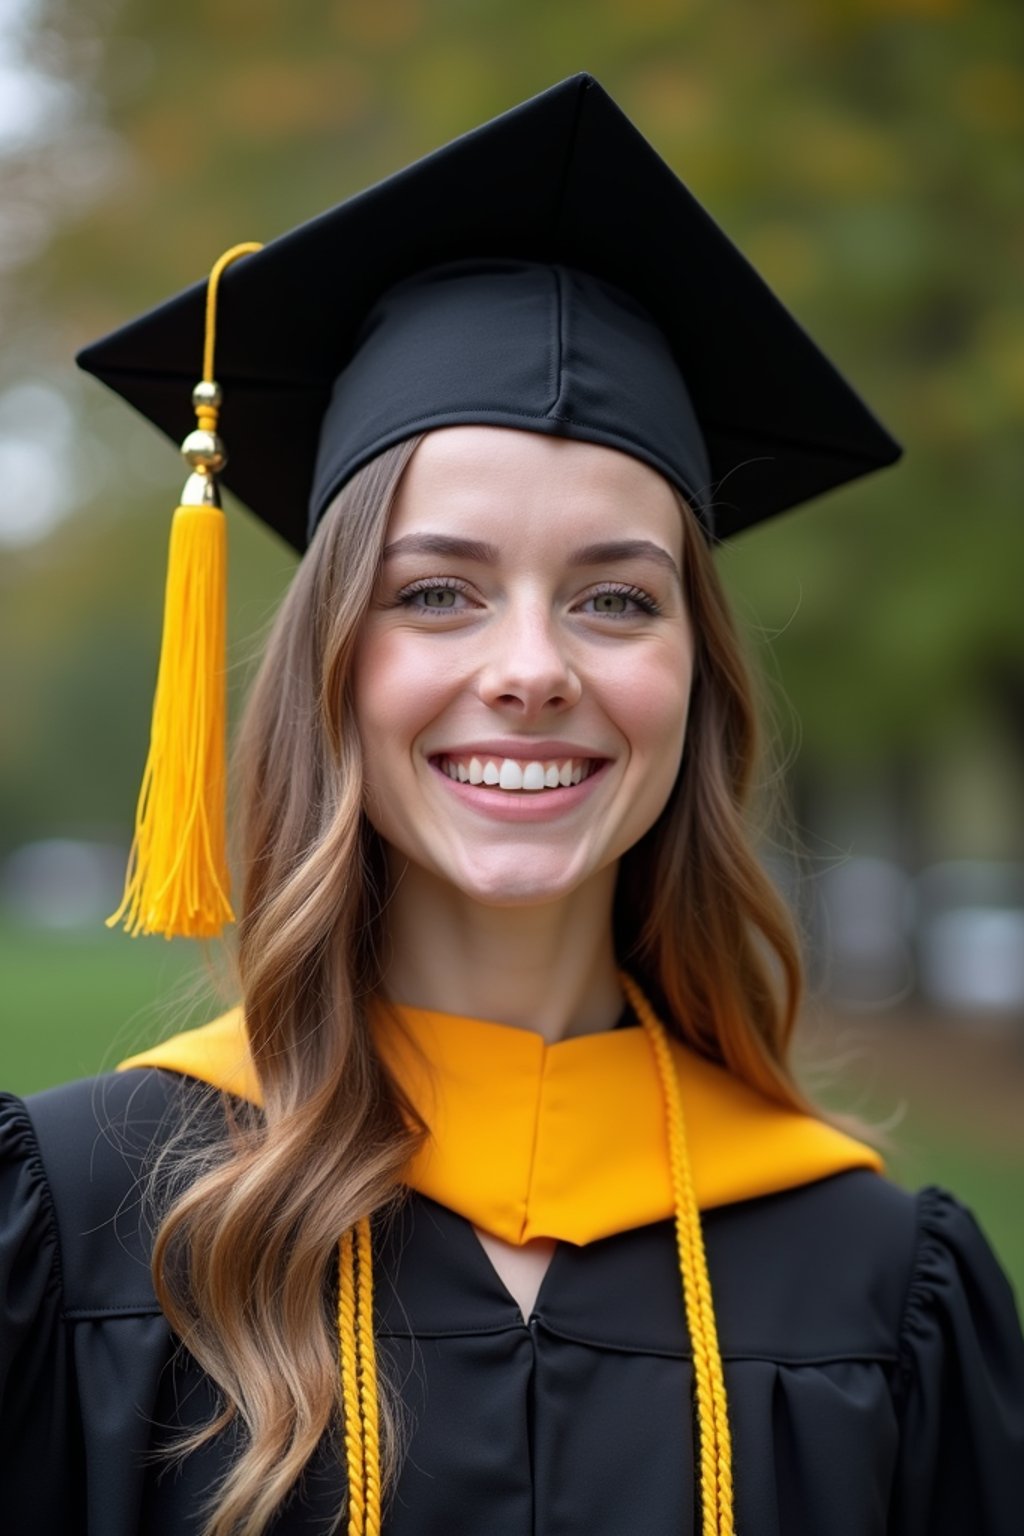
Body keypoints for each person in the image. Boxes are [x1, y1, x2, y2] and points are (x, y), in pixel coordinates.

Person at [1, 72, 1022, 1536]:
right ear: (335, 666)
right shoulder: (89, 1224)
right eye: (439, 593)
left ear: (698, 679)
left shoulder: (879, 1286)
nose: (532, 669)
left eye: (617, 597)